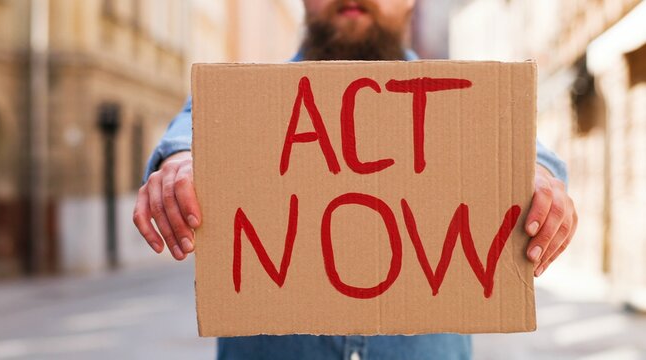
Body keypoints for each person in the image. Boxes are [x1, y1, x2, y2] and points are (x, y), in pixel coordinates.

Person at [133, 0, 578, 359]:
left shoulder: (464, 102)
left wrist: (539, 180)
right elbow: (187, 136)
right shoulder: (235, 104)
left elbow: (520, 148)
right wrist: (180, 162)